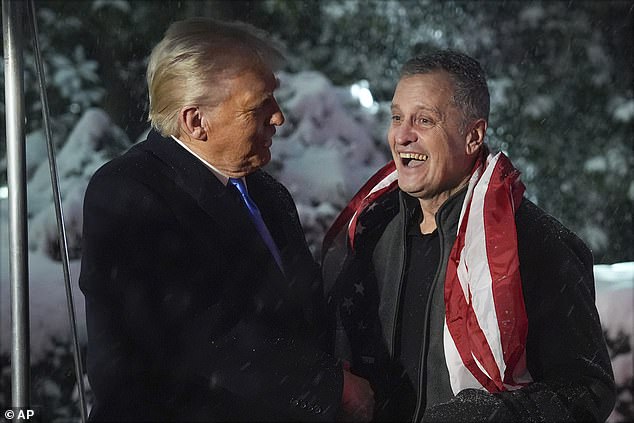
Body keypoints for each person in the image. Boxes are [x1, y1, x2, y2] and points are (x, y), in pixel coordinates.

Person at [79, 17, 374, 422]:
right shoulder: (128, 193)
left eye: (275, 97)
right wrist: (331, 387)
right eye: (259, 105)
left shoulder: (268, 194)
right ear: (195, 121)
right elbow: (205, 338)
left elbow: (301, 314)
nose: (279, 117)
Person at [323, 50, 616, 422]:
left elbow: (588, 389)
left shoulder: (535, 242)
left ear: (473, 135)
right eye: (397, 117)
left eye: (424, 120)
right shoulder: (368, 231)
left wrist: (484, 416)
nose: (402, 136)